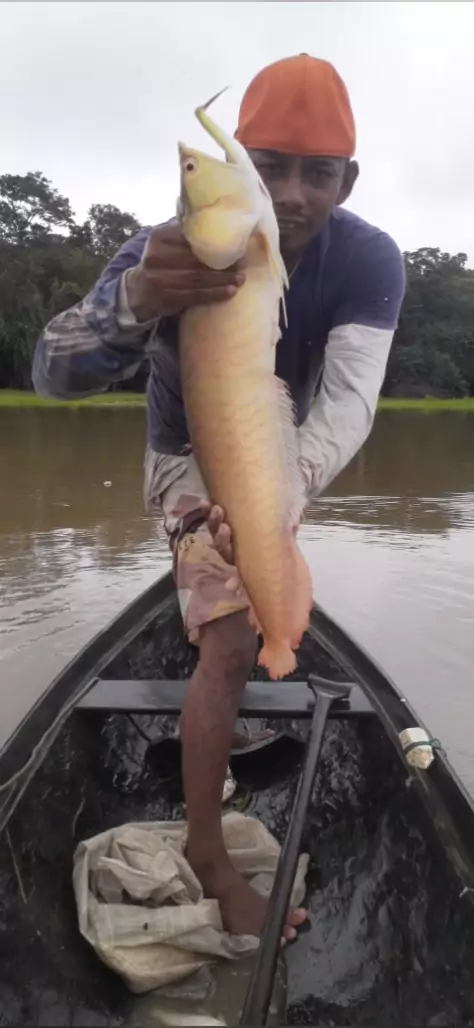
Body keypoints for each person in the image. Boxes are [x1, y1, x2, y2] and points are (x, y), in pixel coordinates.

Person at [32, 54, 406, 940]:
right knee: (232, 641)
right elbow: (52, 373)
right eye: (269, 166)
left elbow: (349, 403)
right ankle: (208, 851)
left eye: (319, 173)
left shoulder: (370, 260)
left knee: (269, 592)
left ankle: (260, 652)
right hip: (188, 455)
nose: (293, 194)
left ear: (348, 182)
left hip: (285, 453)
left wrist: (277, 500)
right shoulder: (165, 248)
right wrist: (137, 300)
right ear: (238, 165)